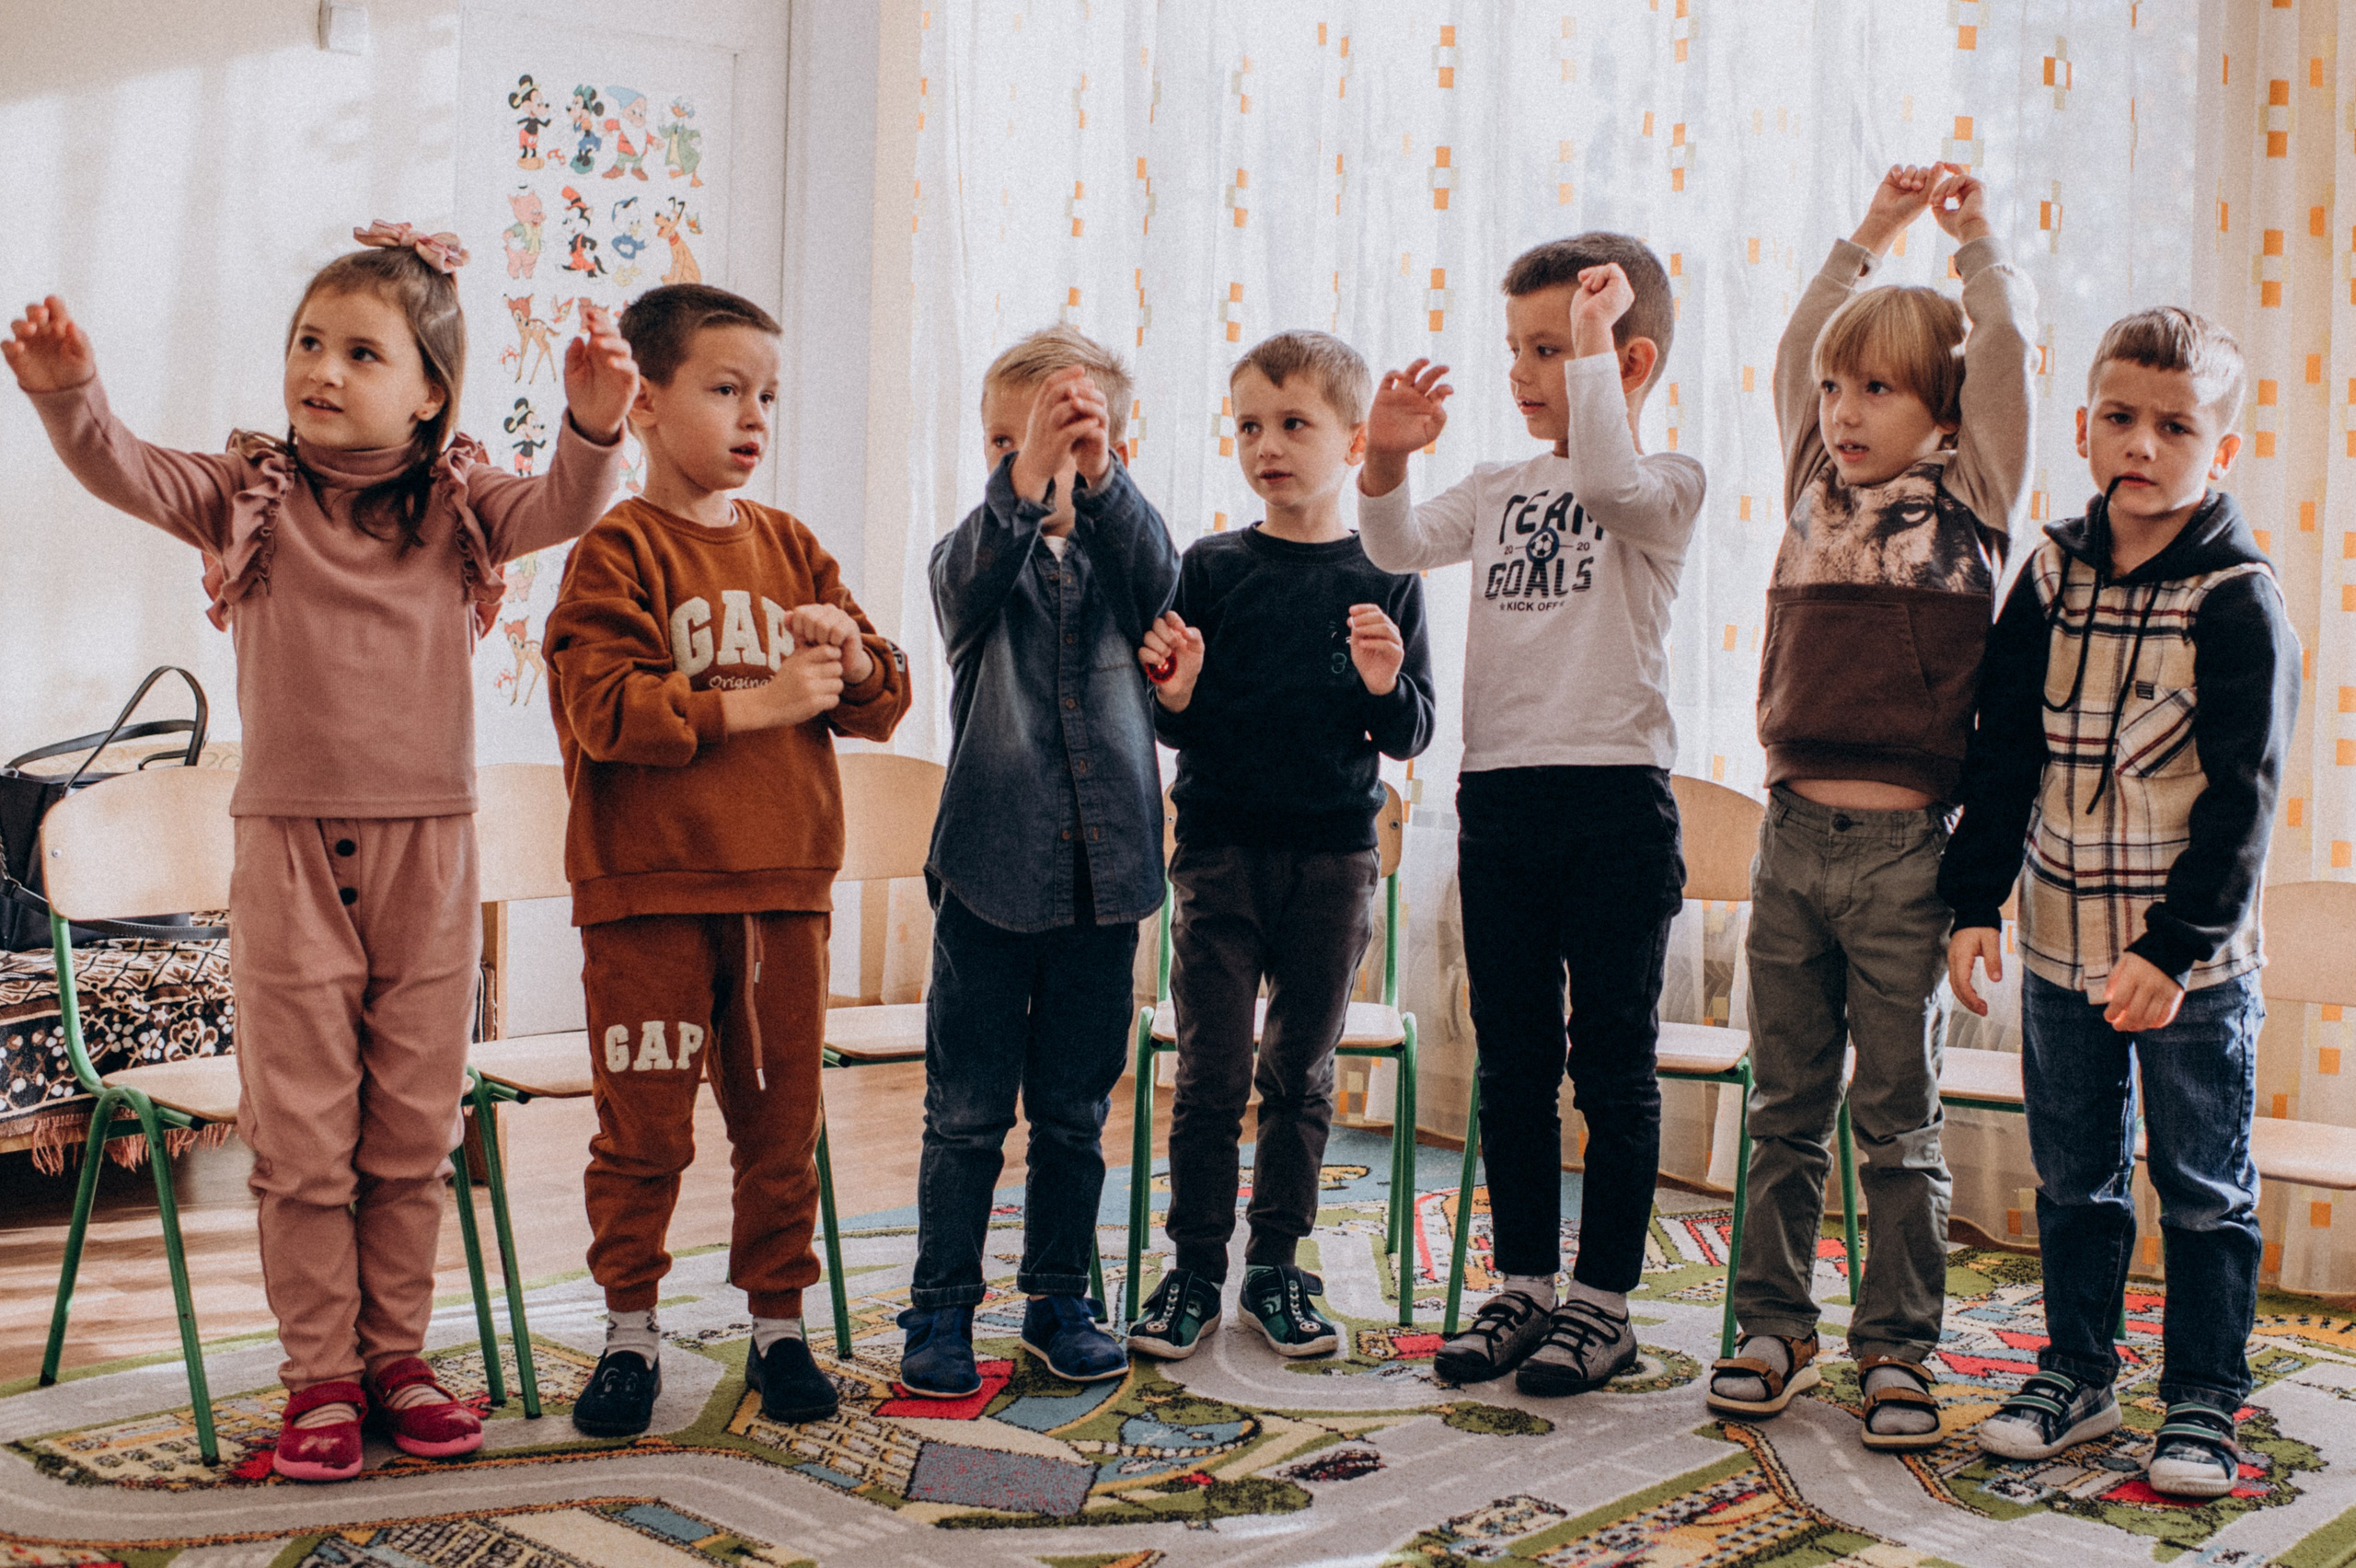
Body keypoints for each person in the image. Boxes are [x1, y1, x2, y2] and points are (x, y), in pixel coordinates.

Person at [5, 223, 636, 1482]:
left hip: (430, 858)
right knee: (301, 1133)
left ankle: (398, 1354)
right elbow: (123, 468)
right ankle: (321, 1379)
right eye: (309, 342)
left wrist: (594, 424)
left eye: (361, 350)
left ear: (430, 391)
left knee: (411, 1125)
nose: (324, 369)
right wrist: (70, 395)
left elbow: (567, 505)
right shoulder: (250, 494)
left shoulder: (461, 508)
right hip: (287, 855)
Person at [1703, 164, 2036, 1450]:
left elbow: (2001, 348)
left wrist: (1971, 245)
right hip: (1792, 841)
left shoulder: (1974, 498)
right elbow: (1799, 341)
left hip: (1908, 853)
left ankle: (1896, 1348)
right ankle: (1769, 1329)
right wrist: (1869, 233)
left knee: (1896, 1121)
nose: (1842, 409)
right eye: (1839, 390)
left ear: (1940, 412)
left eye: (1878, 389)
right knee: (1783, 1106)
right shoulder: (1810, 478)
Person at [541, 283, 910, 1437]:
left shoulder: (793, 546)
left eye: (768, 397)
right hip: (646, 899)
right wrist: (750, 708)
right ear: (644, 405)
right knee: (641, 1132)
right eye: (725, 389)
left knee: (778, 1128)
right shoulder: (615, 552)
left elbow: (883, 700)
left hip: (781, 895)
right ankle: (630, 1336)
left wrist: (852, 658)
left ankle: (778, 1330)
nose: (754, 417)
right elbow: (602, 708)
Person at [1944, 307, 2297, 1498]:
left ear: (2221, 451)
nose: (2142, 443)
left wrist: (2174, 945)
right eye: (2119, 417)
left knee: (2202, 1188)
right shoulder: (2048, 574)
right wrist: (1974, 901)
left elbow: (2241, 804)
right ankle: (2079, 1373)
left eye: (2176, 425)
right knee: (2074, 1178)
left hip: (2187, 968)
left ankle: (2202, 1398)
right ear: (2089, 425)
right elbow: (1999, 754)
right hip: (2056, 944)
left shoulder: (2238, 601)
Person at [1357, 233, 1703, 1396]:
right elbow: (1394, 543)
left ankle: (1601, 1305)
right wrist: (1386, 460)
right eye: (1517, 348)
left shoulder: (1665, 487)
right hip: (1499, 797)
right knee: (1510, 1061)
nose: (1523, 371)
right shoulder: (1498, 490)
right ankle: (1522, 1287)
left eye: (1552, 349)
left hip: (1613, 804)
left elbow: (1608, 481)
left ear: (1626, 358)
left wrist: (1596, 355)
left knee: (1612, 1067)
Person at [1126, 330, 1435, 1361]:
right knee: (1210, 1074)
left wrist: (1385, 682)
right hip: (1216, 852)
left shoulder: (1386, 571)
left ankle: (1274, 1267)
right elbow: (1175, 716)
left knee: (1297, 1075)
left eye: (1294, 423)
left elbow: (1410, 733)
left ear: (1351, 442)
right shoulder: (1207, 566)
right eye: (1250, 425)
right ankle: (1193, 1270)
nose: (1269, 444)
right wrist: (1174, 692)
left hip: (1333, 858)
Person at [904, 326, 1179, 1395]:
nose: (1024, 463)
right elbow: (963, 578)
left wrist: (1099, 474)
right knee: (965, 1115)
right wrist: (1025, 471)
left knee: (1072, 1113)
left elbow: (1164, 580)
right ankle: (940, 1310)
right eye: (999, 443)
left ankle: (1061, 1295)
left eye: (1055, 443)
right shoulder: (973, 564)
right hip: (986, 878)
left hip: (1102, 888)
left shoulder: (1126, 566)